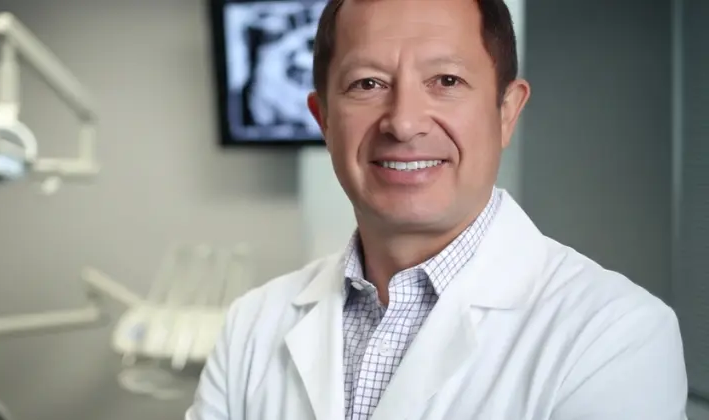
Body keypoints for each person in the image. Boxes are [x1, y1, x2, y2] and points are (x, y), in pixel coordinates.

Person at [186, 0, 690, 419]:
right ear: (323, 119)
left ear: (506, 112)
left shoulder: (617, 335)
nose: (403, 123)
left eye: (446, 81)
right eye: (367, 84)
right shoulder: (251, 324)